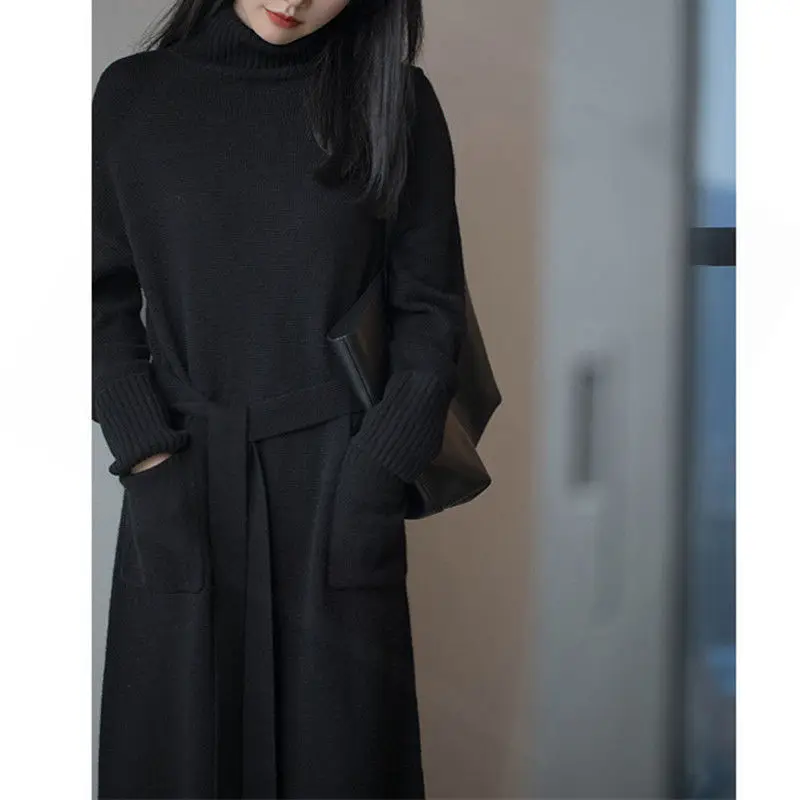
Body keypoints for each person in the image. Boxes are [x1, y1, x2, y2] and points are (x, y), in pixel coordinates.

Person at [93, 0, 466, 797]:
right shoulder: (132, 97)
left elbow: (432, 314)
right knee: (176, 761)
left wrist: (377, 472)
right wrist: (148, 459)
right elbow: (94, 298)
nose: (293, 1)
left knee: (341, 763)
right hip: (179, 477)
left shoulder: (396, 101)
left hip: (341, 484)